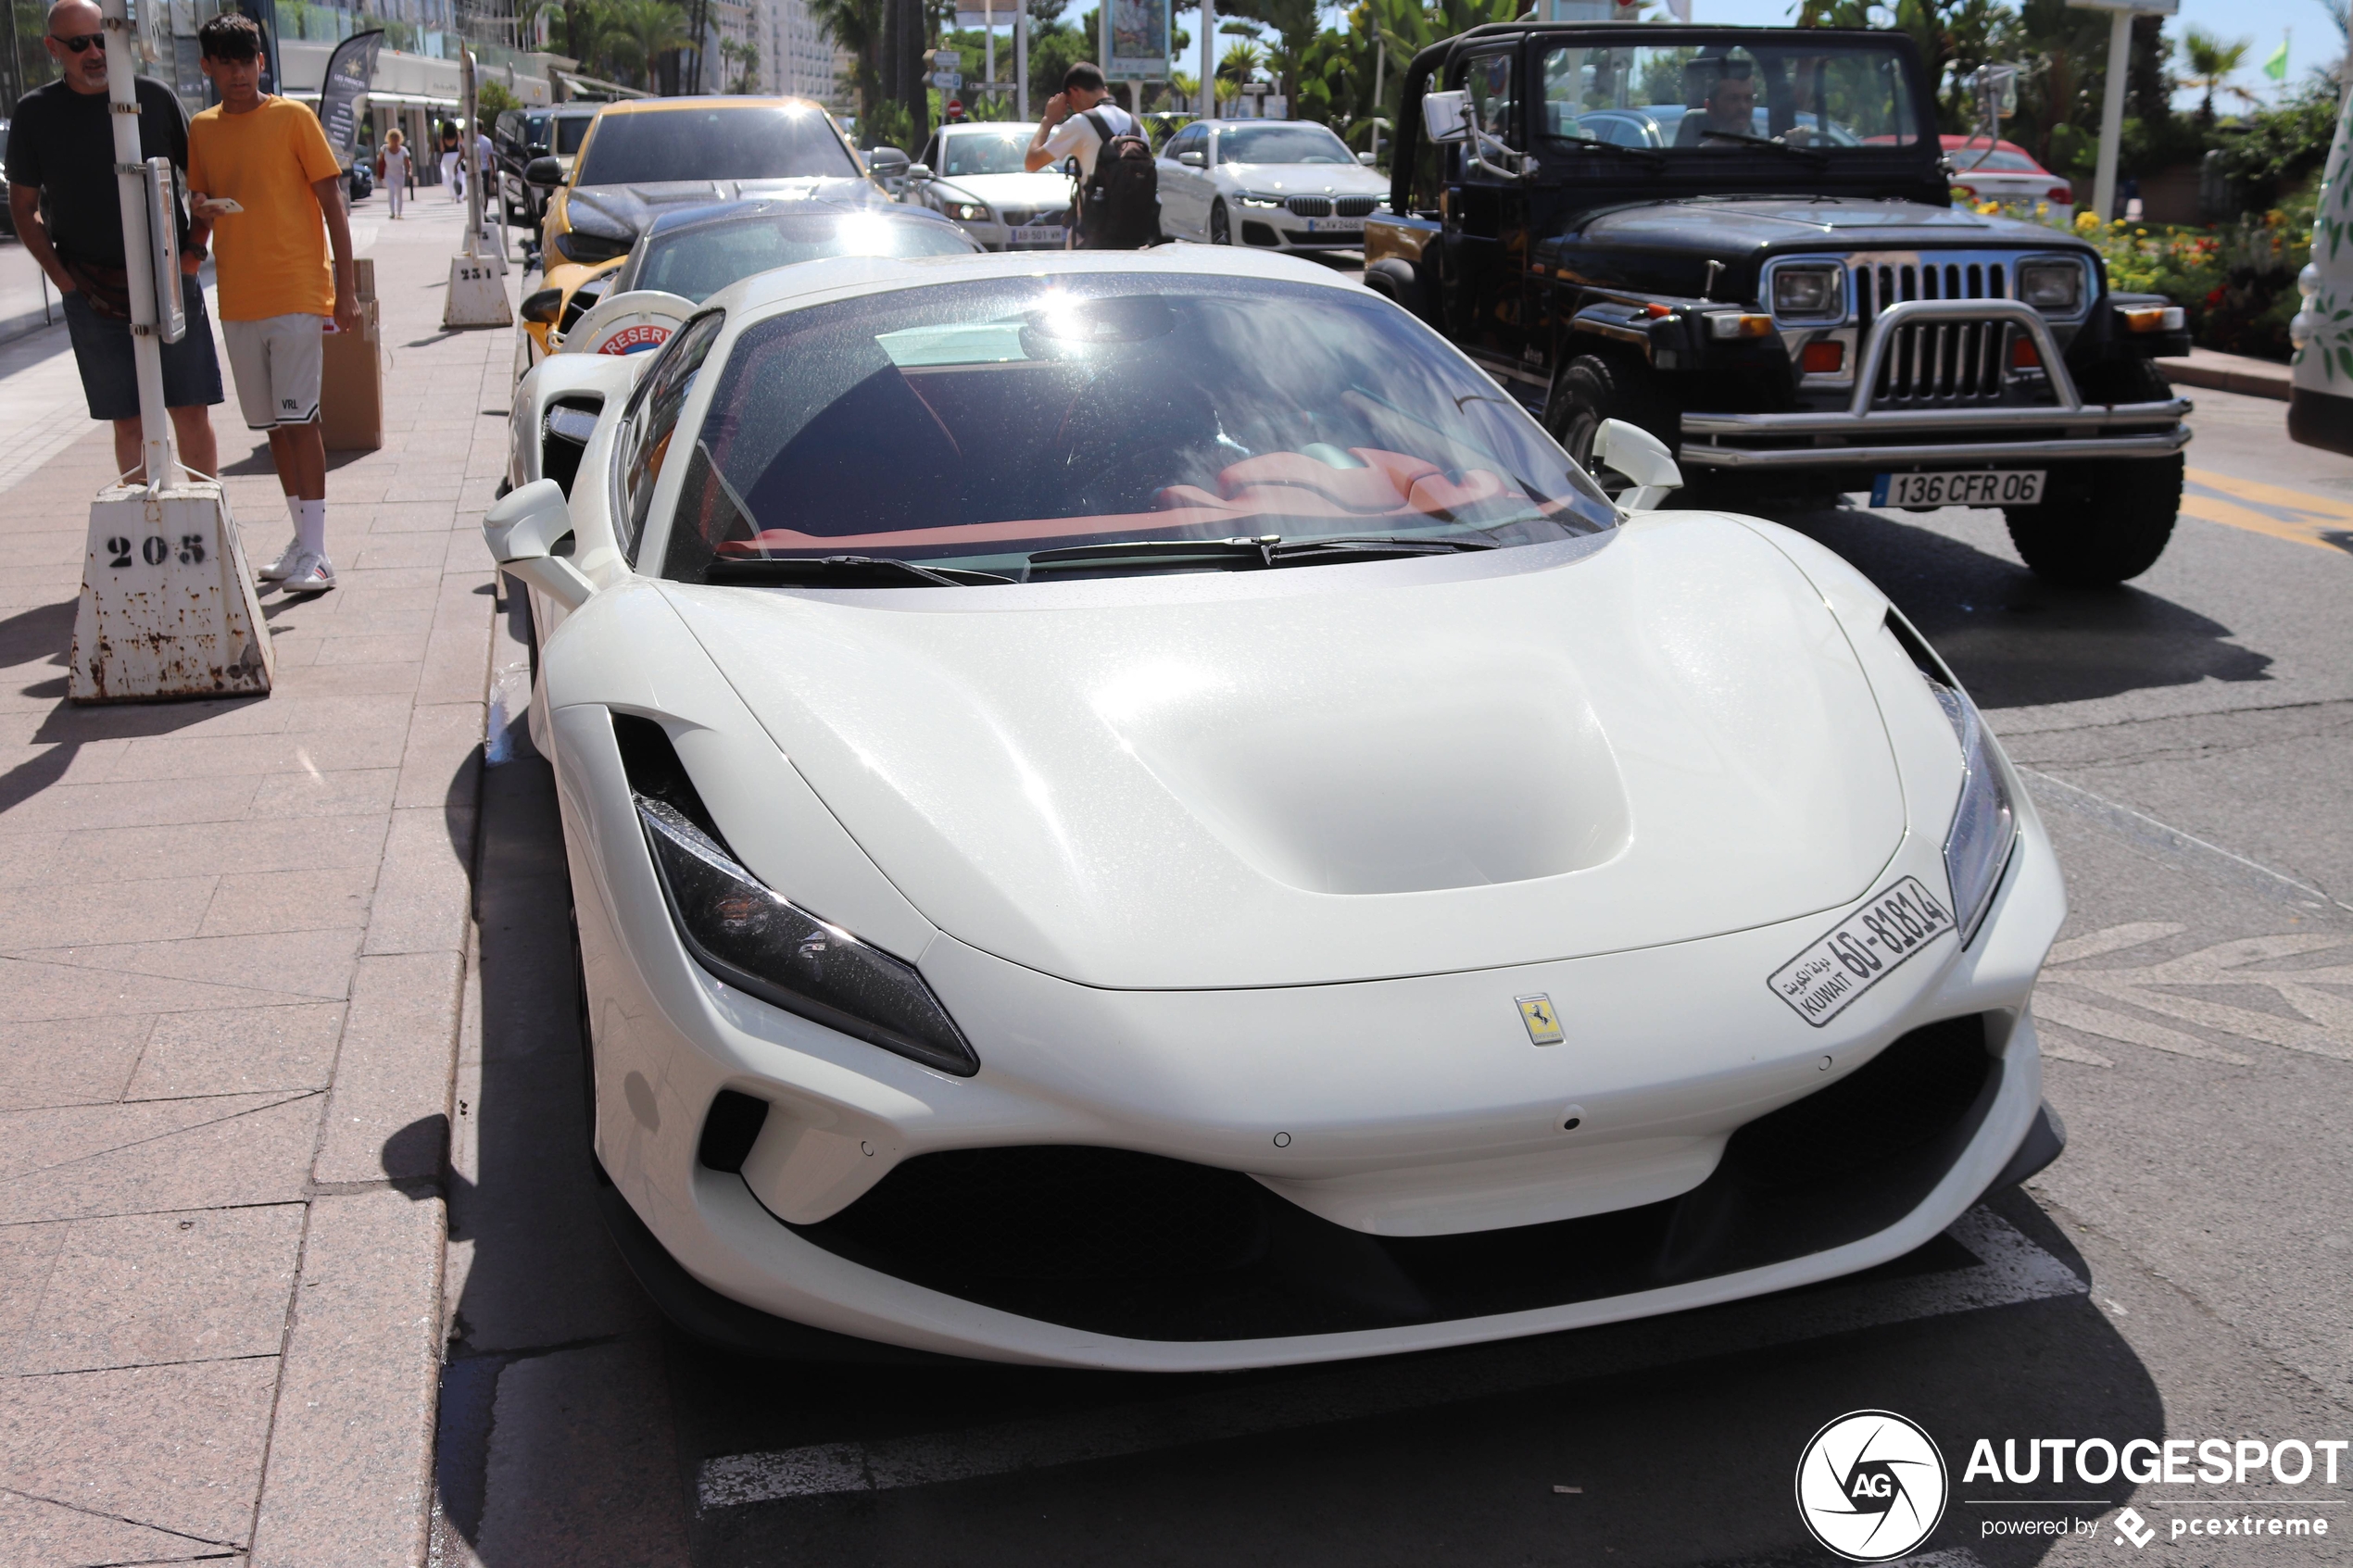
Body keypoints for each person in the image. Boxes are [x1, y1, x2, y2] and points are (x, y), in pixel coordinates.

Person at [4, 0, 222, 483]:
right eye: (79, 43)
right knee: (130, 421)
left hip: (170, 277)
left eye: (103, 38)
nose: (95, 51)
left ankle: (207, 516)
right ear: (52, 48)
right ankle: (145, 525)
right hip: (91, 288)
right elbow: (23, 208)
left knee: (190, 410)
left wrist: (192, 256)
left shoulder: (154, 96)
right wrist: (63, 281)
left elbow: (203, 184)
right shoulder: (36, 113)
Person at [187, 11, 359, 595]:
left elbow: (333, 204)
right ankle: (300, 539)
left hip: (295, 291)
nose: (239, 73)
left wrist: (346, 292)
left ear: (261, 61)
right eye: (226, 62)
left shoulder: (293, 117)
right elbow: (200, 205)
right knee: (275, 430)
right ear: (208, 66)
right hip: (237, 298)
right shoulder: (202, 129)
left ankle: (319, 550)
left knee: (300, 420)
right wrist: (200, 216)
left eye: (248, 60)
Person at [1025, 62, 1153, 248]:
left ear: (1074, 91)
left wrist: (1048, 120)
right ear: (1105, 89)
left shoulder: (1080, 123)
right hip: (1135, 239)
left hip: (1092, 238)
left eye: (1069, 103)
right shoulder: (1137, 127)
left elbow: (1031, 162)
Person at [1680, 65, 1758, 146]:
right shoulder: (1697, 157)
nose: (1743, 106)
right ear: (1710, 107)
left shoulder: (1768, 155)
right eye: (1733, 99)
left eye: (1748, 99)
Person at [380, 127, 409, 220]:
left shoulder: (403, 150)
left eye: (396, 139)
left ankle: (399, 213)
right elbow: (379, 161)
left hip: (400, 174)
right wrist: (379, 174)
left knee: (399, 193)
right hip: (389, 174)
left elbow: (407, 163)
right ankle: (392, 212)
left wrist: (409, 172)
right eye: (392, 139)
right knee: (391, 191)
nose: (395, 141)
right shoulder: (384, 149)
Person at [440, 121, 462, 200]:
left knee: (450, 176)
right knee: (459, 174)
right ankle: (459, 195)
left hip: (447, 156)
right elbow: (462, 142)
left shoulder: (443, 137)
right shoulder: (457, 134)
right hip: (456, 155)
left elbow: (442, 149)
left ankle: (452, 194)